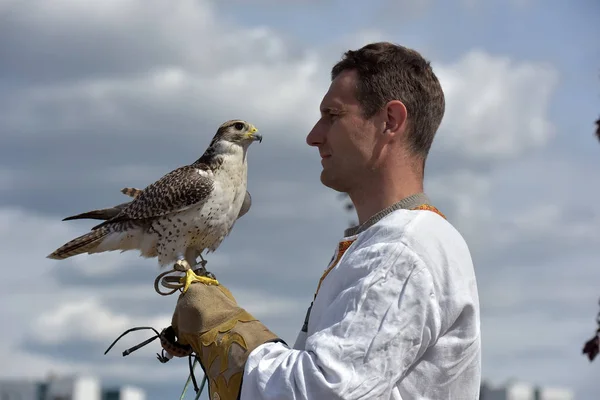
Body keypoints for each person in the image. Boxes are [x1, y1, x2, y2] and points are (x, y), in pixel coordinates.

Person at [160, 42, 481, 400]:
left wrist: (222, 328)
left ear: (390, 121)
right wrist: (210, 337)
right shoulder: (388, 241)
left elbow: (322, 391)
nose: (314, 136)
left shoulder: (401, 250)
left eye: (332, 115)